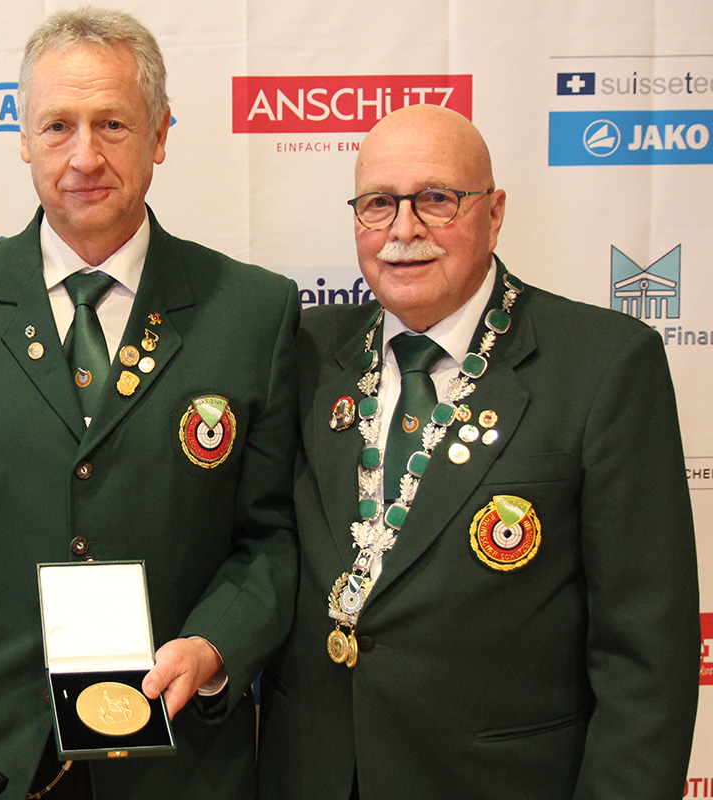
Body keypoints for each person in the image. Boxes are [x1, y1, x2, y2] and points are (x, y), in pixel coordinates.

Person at [0, 7, 299, 799]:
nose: (83, 156)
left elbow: (270, 536)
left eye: (113, 125)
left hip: (178, 758)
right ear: (24, 139)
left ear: (161, 136)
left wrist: (214, 644)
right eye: (57, 126)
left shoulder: (252, 313)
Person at [257, 103, 699, 799]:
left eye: (436, 199)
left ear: (494, 214)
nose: (404, 230)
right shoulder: (305, 351)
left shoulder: (602, 366)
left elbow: (646, 658)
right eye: (378, 204)